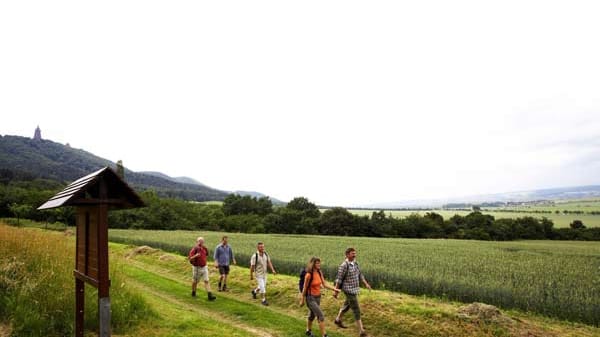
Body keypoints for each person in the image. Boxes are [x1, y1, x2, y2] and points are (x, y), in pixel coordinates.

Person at [333, 247, 371, 337]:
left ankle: (338, 320)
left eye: (355, 253)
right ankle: (361, 331)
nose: (354, 255)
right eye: (352, 253)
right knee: (356, 309)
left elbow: (360, 274)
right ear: (347, 255)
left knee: (347, 305)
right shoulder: (344, 265)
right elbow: (339, 280)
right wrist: (336, 291)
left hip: (355, 289)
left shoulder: (355, 263)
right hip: (348, 290)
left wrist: (366, 283)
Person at [300, 257, 339, 337]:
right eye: (317, 263)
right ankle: (324, 335)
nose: (318, 264)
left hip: (318, 297)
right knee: (320, 315)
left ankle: (308, 331)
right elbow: (304, 288)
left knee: (312, 314)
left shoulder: (319, 272)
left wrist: (334, 289)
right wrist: (302, 299)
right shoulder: (308, 275)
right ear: (312, 264)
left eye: (319, 263)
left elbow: (324, 284)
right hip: (310, 298)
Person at [188, 236, 216, 301]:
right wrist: (196, 256)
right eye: (199, 241)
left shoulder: (205, 248)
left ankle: (210, 295)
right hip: (197, 268)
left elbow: (206, 255)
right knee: (195, 281)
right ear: (197, 242)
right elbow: (189, 258)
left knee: (206, 280)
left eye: (202, 241)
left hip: (204, 267)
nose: (201, 242)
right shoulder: (194, 249)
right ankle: (193, 292)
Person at [250, 242, 276, 306]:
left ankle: (254, 292)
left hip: (265, 274)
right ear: (258, 248)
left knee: (262, 286)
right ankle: (263, 300)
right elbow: (252, 266)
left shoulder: (266, 254)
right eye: (261, 247)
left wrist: (273, 270)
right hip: (258, 274)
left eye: (263, 247)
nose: (262, 248)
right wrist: (251, 275)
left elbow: (269, 262)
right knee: (263, 288)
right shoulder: (254, 256)